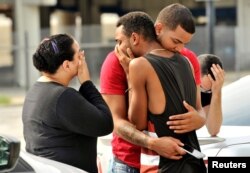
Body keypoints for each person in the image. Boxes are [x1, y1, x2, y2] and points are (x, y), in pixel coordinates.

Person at [100, 6, 205, 173]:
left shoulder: (186, 58)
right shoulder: (114, 62)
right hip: (131, 161)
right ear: (158, 29)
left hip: (163, 162)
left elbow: (138, 123)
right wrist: (152, 143)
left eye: (183, 43)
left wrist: (200, 118)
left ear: (134, 37)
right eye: (176, 41)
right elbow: (116, 121)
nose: (179, 48)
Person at [22, 33, 113, 173]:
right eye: (78, 55)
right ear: (66, 65)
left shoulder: (35, 91)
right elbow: (105, 124)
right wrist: (87, 82)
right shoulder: (63, 96)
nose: (82, 58)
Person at [198, 54, 224, 136]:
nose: (203, 92)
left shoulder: (208, 90)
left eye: (208, 91)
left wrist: (217, 91)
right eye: (201, 88)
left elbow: (213, 130)